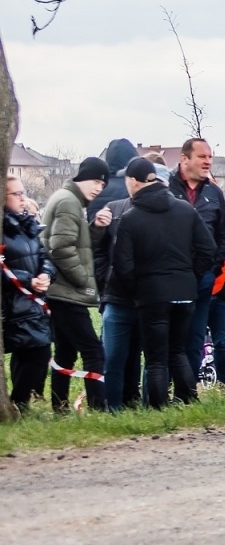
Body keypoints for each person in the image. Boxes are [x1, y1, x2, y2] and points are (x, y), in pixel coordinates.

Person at [113, 158, 216, 408]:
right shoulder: (185, 210)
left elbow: (123, 265)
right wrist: (191, 275)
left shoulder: (130, 218)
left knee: (156, 358)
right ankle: (188, 399)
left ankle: (159, 408)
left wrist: (137, 290)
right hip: (185, 291)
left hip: (152, 295)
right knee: (177, 351)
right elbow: (208, 249)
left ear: (134, 182)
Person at [41, 157, 109, 412]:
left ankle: (59, 408)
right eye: (95, 181)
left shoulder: (66, 199)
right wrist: (82, 280)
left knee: (65, 354)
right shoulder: (69, 203)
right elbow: (61, 248)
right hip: (66, 292)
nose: (98, 188)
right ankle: (98, 408)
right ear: (81, 177)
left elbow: (72, 241)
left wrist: (95, 228)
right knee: (93, 350)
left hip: (58, 291)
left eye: (102, 185)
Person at [170, 138, 225, 388]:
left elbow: (224, 234)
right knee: (169, 337)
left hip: (203, 278)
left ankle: (186, 393)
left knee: (195, 338)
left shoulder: (214, 192)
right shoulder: (167, 187)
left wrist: (213, 265)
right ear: (184, 159)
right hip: (171, 278)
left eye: (210, 156)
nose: (208, 161)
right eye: (202, 156)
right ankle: (160, 393)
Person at [3, 176, 54, 409]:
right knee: (37, 353)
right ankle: (19, 402)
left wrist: (45, 275)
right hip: (13, 303)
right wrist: (27, 280)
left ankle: (19, 404)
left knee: (34, 352)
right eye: (17, 194)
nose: (23, 199)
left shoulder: (26, 225)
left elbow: (44, 256)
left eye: (23, 193)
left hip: (33, 301)